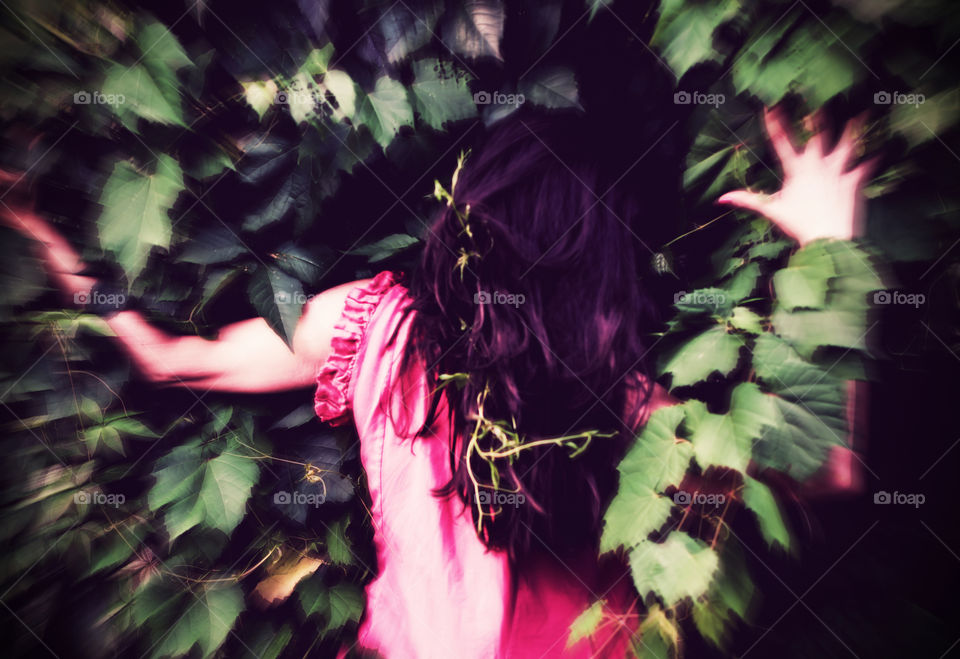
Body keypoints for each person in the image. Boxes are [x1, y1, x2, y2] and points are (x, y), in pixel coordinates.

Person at [0, 106, 872, 657]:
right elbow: (831, 468)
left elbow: (167, 356)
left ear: (468, 218)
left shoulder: (377, 329)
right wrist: (833, 254)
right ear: (608, 264)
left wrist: (63, 254)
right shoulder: (637, 408)